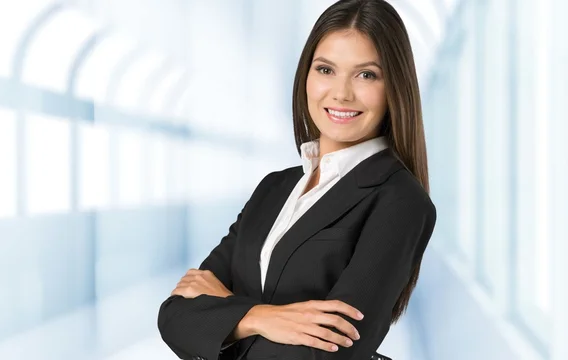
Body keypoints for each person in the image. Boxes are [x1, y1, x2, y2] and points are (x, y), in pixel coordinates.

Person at [157, 0, 437, 359]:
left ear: (394, 87)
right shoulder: (273, 189)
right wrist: (262, 317)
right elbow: (175, 315)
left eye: (366, 74)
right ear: (306, 75)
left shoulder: (399, 201)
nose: (341, 93)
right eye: (326, 69)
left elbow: (330, 352)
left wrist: (226, 312)